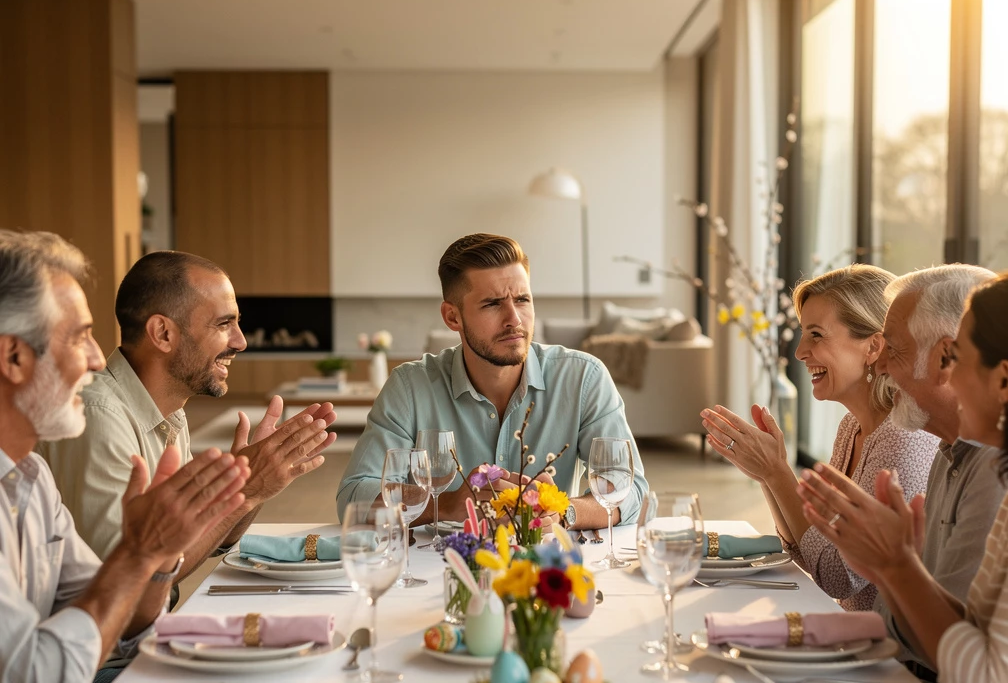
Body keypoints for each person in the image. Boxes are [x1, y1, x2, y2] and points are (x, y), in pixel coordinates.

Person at [0, 231, 250, 683]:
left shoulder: (29, 478)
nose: (95, 360)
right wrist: (141, 556)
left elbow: (127, 617)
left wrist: (155, 556)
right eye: (79, 337)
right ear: (13, 358)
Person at [799, 273, 1008, 683]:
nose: (883, 368)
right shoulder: (949, 449)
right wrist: (894, 569)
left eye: (891, 349)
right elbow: (907, 631)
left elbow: (973, 681)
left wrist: (895, 567)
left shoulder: (992, 469)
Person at [39, 251, 337, 577]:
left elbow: (189, 545)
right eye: (224, 323)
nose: (240, 342)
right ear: (163, 333)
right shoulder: (99, 417)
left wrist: (251, 488)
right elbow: (128, 582)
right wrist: (246, 492)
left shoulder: (169, 414)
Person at [337, 233, 647, 535]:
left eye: (523, 299)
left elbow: (632, 490)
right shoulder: (410, 387)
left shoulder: (584, 378)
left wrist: (565, 512)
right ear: (452, 317)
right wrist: (442, 505)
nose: (514, 318)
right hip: (439, 569)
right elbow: (354, 497)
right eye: (492, 304)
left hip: (545, 568)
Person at [700, 265, 939, 610]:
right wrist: (768, 475)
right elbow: (807, 552)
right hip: (852, 636)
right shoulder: (851, 428)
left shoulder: (901, 440)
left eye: (816, 335)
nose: (799, 352)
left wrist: (777, 473)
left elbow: (838, 577)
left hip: (884, 657)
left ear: (873, 346)